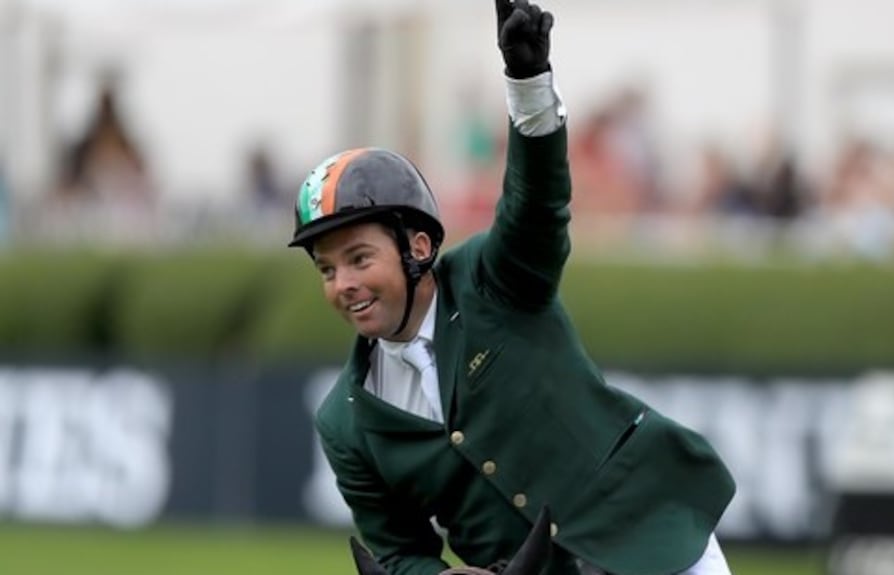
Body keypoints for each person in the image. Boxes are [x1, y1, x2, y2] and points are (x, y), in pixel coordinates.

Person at [288, 1, 736, 573]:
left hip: (651, 545)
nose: (343, 284)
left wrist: (528, 85)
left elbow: (536, 204)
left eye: (358, 258)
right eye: (327, 270)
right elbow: (399, 551)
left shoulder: (487, 280)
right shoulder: (343, 421)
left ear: (417, 247)